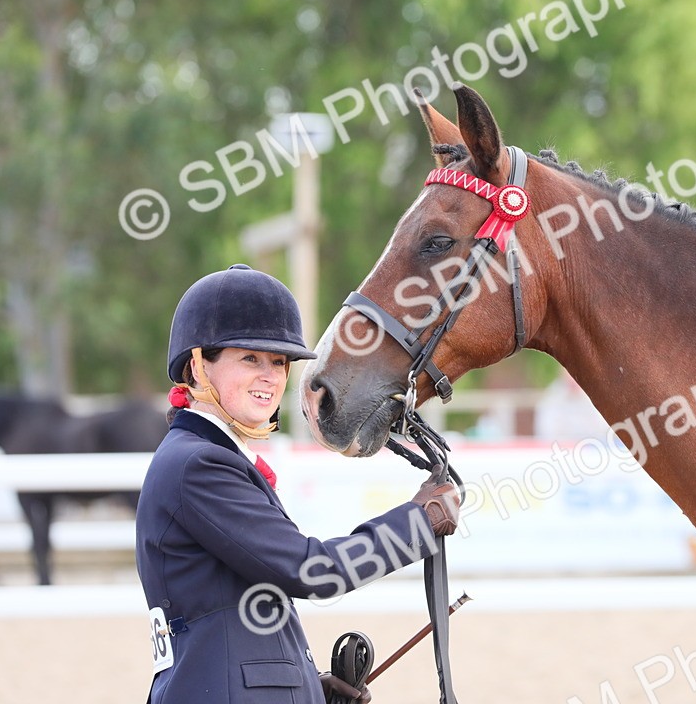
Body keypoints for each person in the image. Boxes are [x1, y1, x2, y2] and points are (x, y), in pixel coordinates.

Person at [136, 264, 459, 703]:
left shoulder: (201, 455)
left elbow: (230, 616)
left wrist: (305, 685)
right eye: (250, 358)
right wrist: (418, 522)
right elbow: (312, 571)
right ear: (197, 367)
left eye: (279, 362)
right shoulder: (199, 463)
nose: (270, 377)